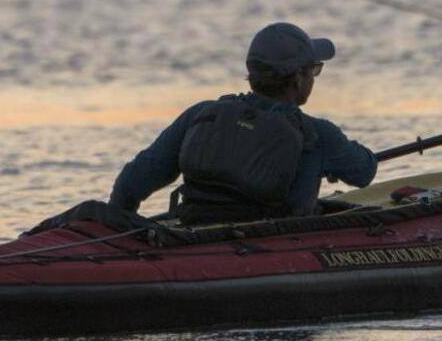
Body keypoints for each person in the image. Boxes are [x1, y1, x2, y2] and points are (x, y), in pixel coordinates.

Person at [108, 22, 377, 223]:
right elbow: (365, 171)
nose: (315, 77)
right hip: (276, 244)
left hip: (195, 232)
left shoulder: (201, 114)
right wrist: (332, 158)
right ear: (297, 78)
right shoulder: (317, 134)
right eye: (314, 69)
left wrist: (120, 235)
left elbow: (131, 183)